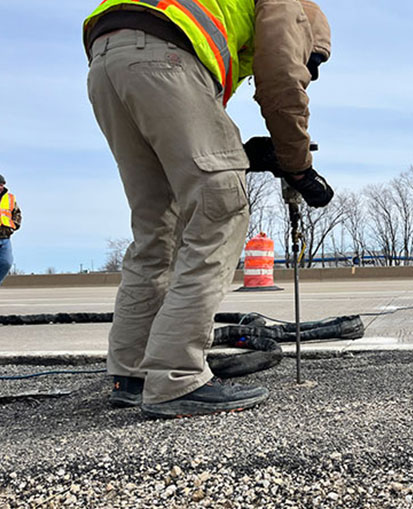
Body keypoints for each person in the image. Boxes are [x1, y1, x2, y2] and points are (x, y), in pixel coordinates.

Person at [83, 0, 334, 418]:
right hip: (162, 55)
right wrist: (298, 166)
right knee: (221, 209)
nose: (311, 70)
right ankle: (176, 377)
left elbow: (189, 134)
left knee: (156, 230)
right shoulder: (290, 5)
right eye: (314, 61)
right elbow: (282, 83)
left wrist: (243, 155)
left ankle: (132, 374)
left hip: (108, 61)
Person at [0, 174, 22, 285]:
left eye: (2, 184)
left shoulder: (10, 198)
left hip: (4, 237)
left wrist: (13, 226)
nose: (0, 187)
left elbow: (17, 213)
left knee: (6, 262)